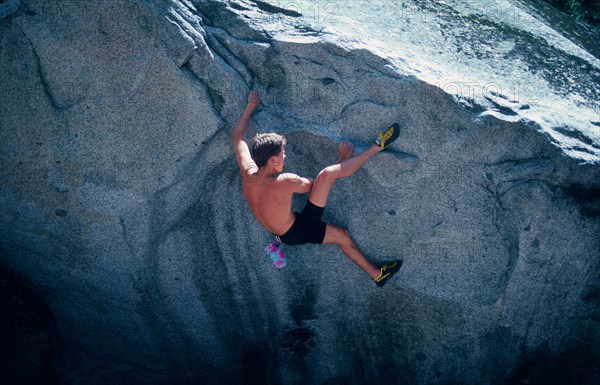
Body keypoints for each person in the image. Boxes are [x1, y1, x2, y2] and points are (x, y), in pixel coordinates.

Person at [232, 90, 402, 287]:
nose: (285, 156)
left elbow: (237, 137)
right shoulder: (284, 181)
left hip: (285, 234)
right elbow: (317, 186)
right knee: (327, 175)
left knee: (342, 236)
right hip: (299, 229)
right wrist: (341, 160)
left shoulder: (248, 171)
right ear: (272, 160)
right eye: (282, 153)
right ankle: (377, 146)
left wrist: (251, 105)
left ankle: (378, 275)